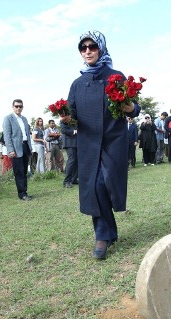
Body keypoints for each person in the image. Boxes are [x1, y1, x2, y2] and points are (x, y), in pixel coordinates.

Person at [61, 30, 140, 259]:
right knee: (94, 187)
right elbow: (71, 114)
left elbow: (134, 107)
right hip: (88, 144)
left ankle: (109, 231)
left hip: (113, 141)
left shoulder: (115, 76)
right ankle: (102, 235)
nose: (87, 51)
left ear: (101, 48)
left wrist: (130, 109)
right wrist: (66, 118)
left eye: (92, 47)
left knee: (107, 184)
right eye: (83, 48)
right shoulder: (77, 83)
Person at [2, 99, 32, 200]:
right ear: (13, 107)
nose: (18, 108)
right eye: (16, 106)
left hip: (25, 147)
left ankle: (25, 191)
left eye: (20, 106)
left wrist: (30, 147)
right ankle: (22, 194)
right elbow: (7, 136)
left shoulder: (24, 119)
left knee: (24, 171)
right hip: (15, 149)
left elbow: (27, 134)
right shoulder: (8, 118)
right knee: (18, 172)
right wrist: (10, 150)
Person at [61, 121, 78, 188]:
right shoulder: (65, 118)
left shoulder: (74, 118)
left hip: (76, 142)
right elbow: (63, 130)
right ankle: (66, 182)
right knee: (71, 161)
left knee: (76, 161)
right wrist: (74, 131)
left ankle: (74, 179)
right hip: (69, 143)